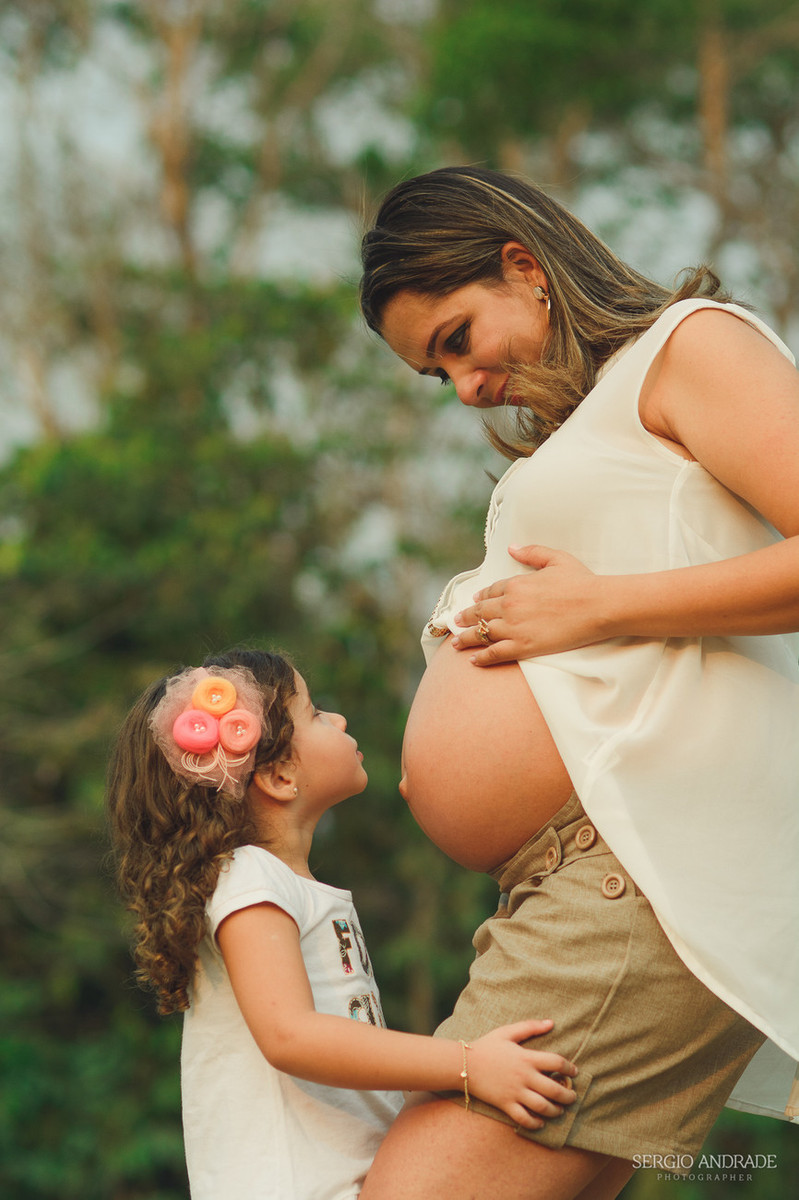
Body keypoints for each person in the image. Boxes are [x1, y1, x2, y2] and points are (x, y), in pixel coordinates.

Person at [357, 166, 799, 1199]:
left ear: (525, 267)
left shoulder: (689, 346)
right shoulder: (595, 414)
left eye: (457, 339)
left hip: (640, 868)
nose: (462, 389)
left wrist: (598, 608)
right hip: (575, 871)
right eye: (436, 375)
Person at [106, 646, 578, 1200]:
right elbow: (291, 1036)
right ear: (280, 774)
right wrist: (467, 1065)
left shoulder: (277, 885)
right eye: (317, 712)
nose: (340, 720)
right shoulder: (250, 880)